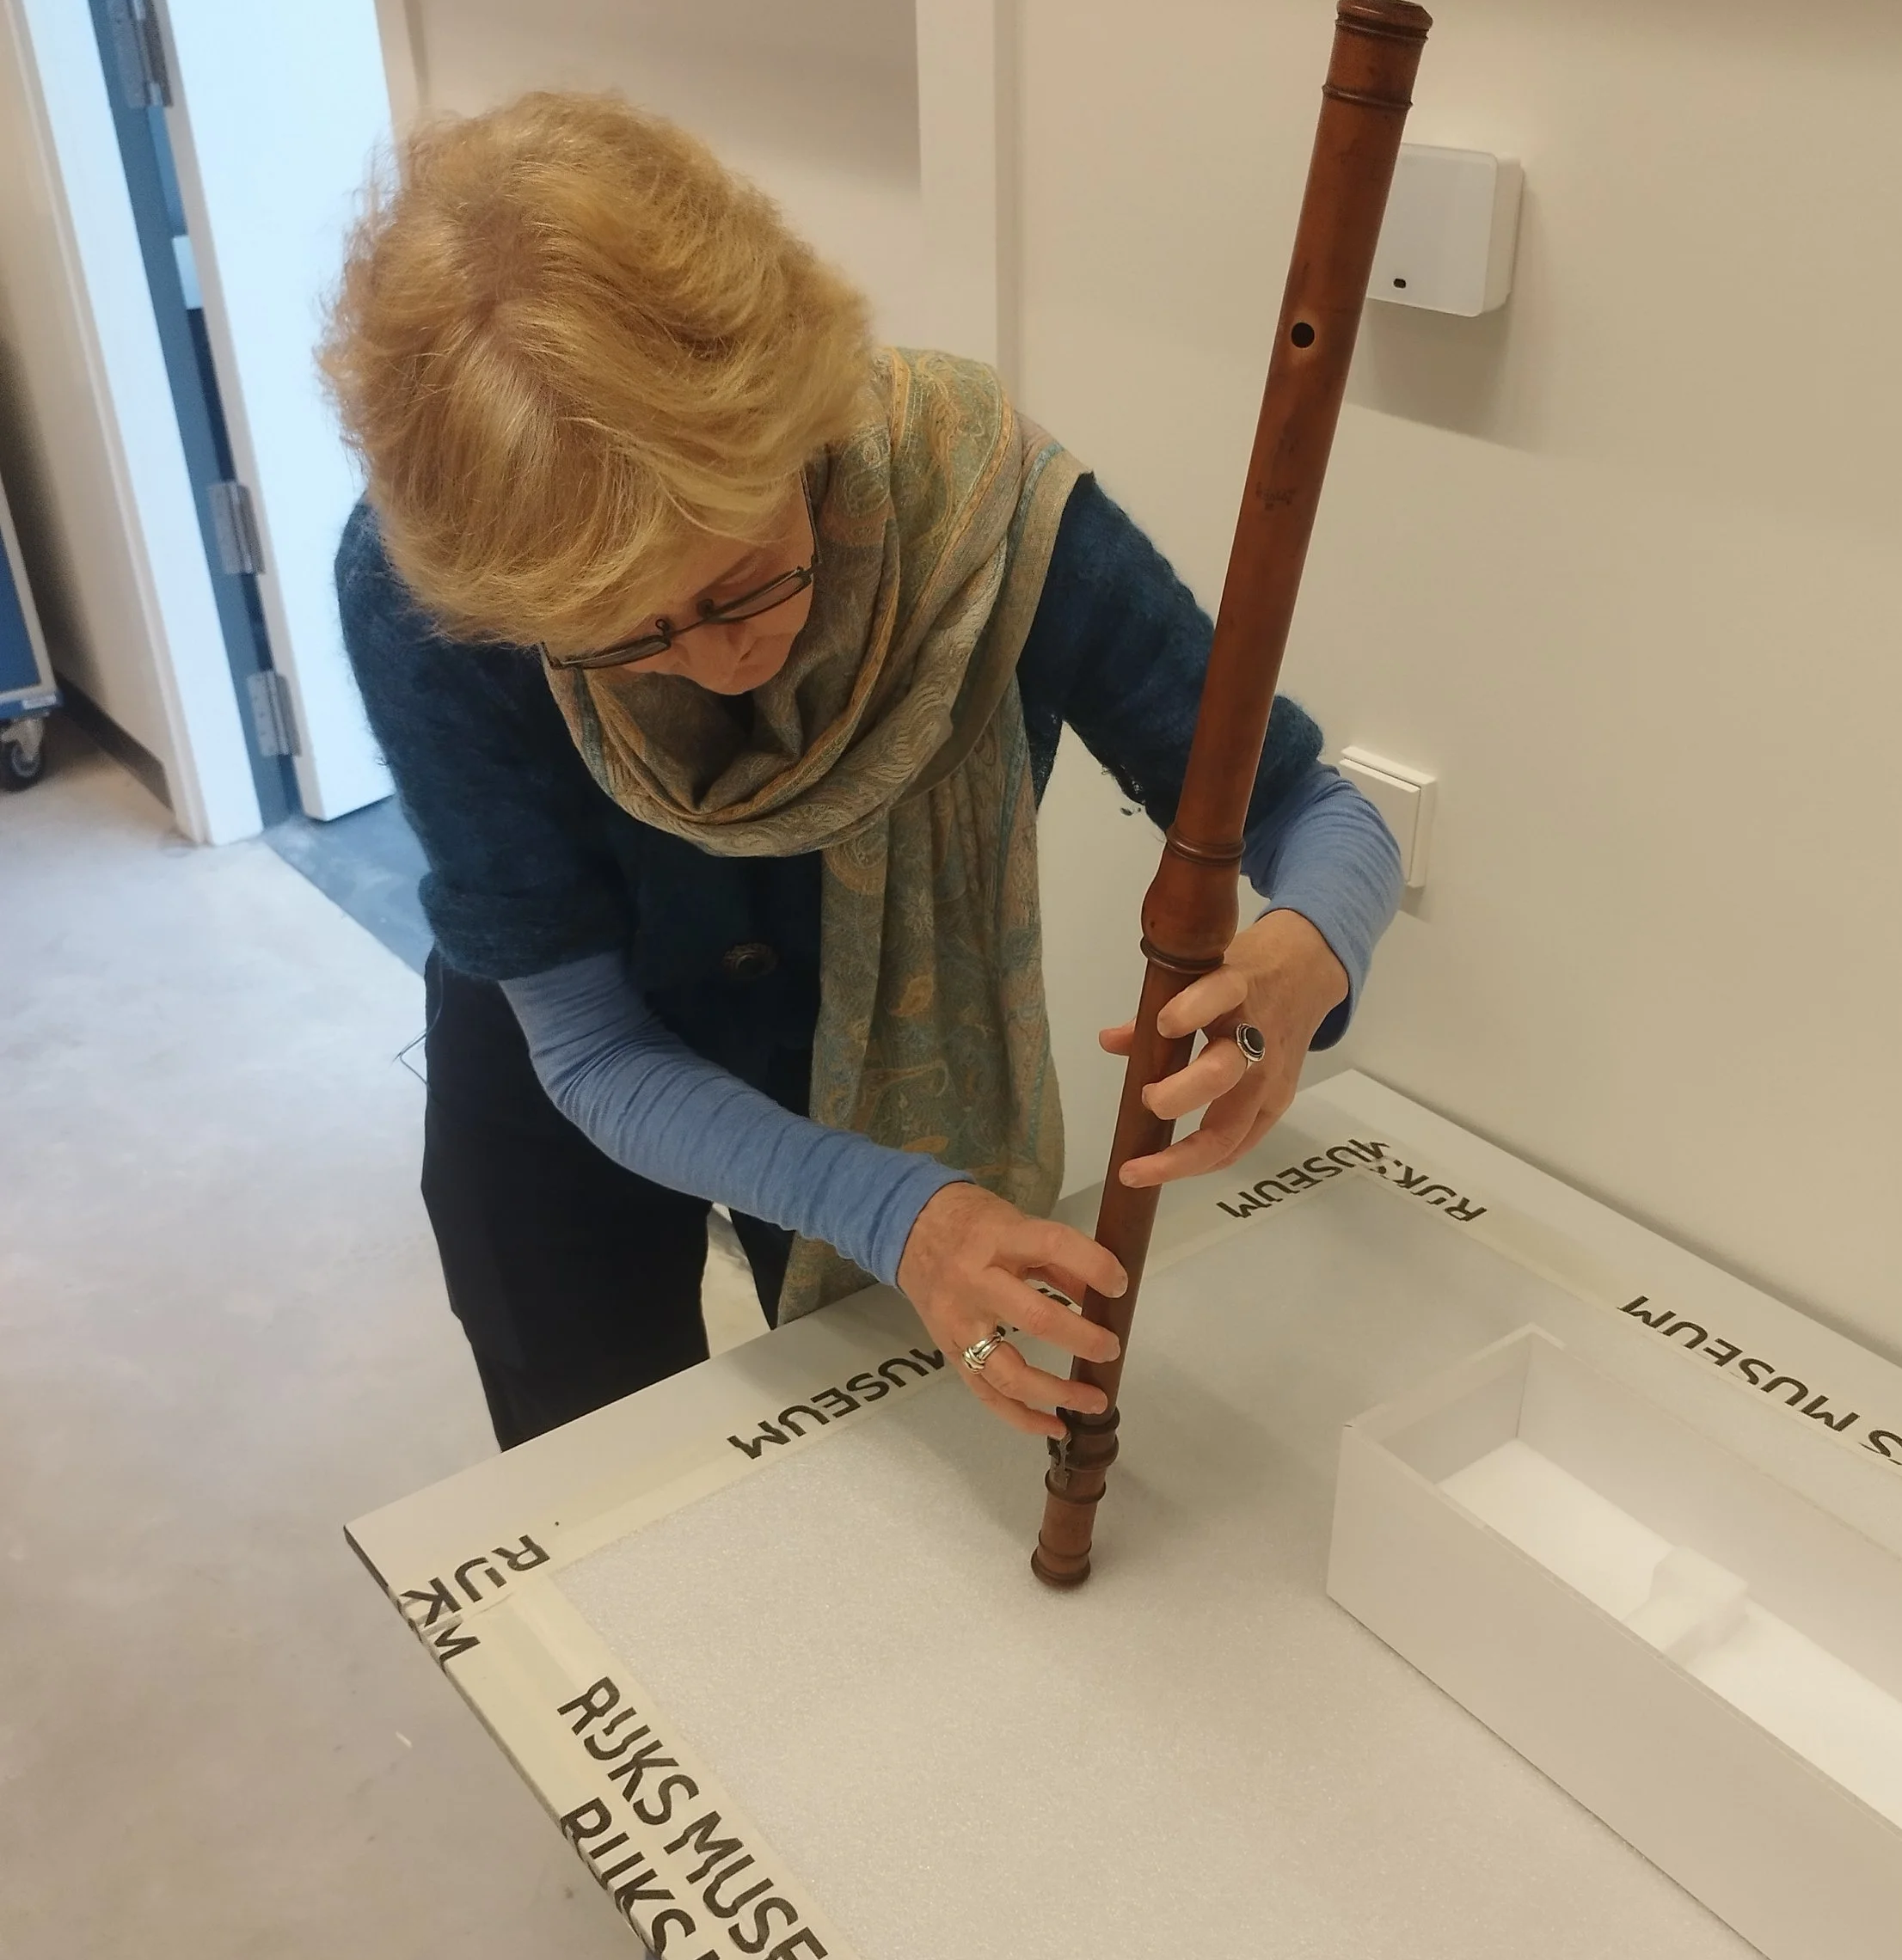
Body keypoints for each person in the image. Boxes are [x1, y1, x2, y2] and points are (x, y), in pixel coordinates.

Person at [322, 86, 1401, 1462]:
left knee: (884, 1473)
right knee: (597, 1478)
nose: (714, 665)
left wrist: (1311, 951)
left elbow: (1317, 812)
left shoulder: (973, 501)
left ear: (796, 421)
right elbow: (587, 1048)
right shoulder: (436, 591)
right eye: (622, 641)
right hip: (556, 1068)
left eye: (743, 584)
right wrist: (905, 1214)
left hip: (866, 1062)